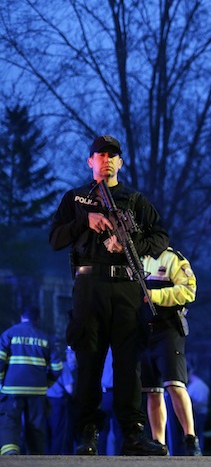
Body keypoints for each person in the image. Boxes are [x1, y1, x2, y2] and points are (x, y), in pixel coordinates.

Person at [49, 134, 169, 456]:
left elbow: (161, 236)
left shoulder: (135, 200)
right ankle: (87, 434)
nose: (106, 160)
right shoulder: (75, 199)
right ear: (90, 161)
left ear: (120, 162)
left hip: (127, 285)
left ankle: (133, 435)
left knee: (129, 365)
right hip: (89, 286)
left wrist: (133, 246)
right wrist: (83, 221)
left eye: (112, 155)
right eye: (100, 155)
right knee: (89, 361)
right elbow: (55, 238)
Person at [139, 247, 201, 456]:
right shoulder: (136, 258)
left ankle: (190, 438)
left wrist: (154, 295)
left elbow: (189, 291)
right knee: (152, 391)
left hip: (168, 329)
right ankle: (159, 443)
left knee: (174, 384)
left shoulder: (172, 258)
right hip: (143, 331)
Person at [0, 306, 62, 455]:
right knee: (36, 425)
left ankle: (10, 453)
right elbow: (57, 368)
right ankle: (36, 457)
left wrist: (2, 381)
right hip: (37, 390)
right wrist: (46, 384)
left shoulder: (8, 334)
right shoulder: (46, 339)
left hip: (12, 389)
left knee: (10, 421)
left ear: (22, 317)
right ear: (38, 319)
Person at [46, 345, 77, 454]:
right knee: (58, 434)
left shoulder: (45, 365)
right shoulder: (63, 367)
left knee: (45, 434)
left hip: (44, 401)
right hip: (58, 404)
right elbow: (70, 389)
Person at [186, 367, 209, 452]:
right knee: (200, 434)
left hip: (195, 414)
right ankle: (200, 450)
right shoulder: (205, 386)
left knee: (193, 434)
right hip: (203, 413)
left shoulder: (192, 387)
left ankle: (193, 451)